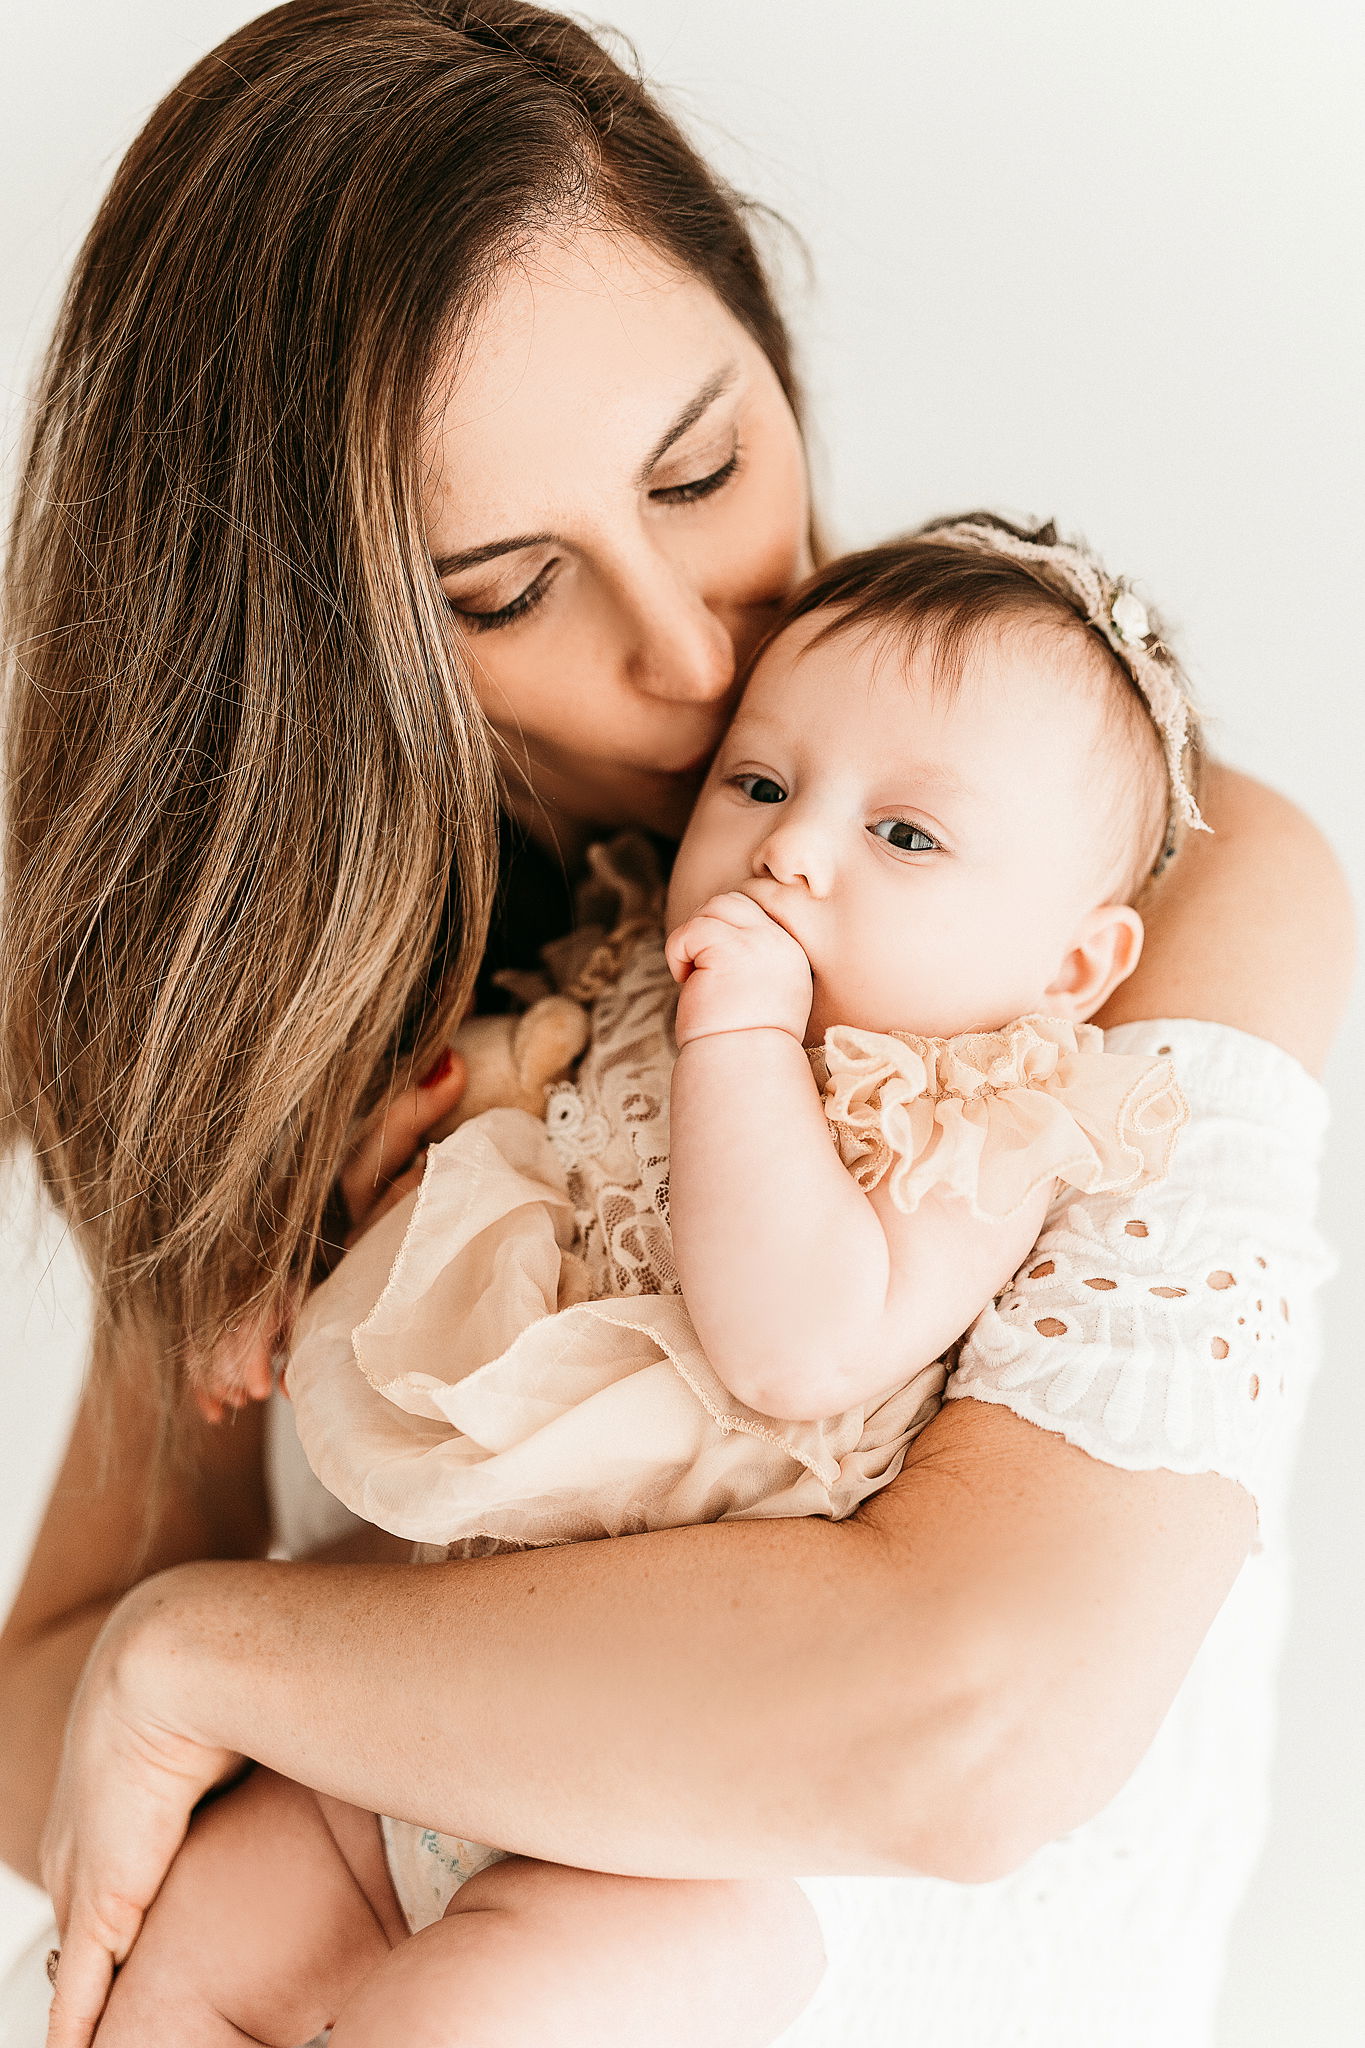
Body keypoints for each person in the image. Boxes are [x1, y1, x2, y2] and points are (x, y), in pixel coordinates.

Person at [0, 6, 1349, 2046]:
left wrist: (218, 1660)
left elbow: (965, 1724)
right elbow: (51, 1700)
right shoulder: (322, 1002)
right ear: (332, 646)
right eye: (506, 587)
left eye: (699, 470)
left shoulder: (1144, 887)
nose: (695, 647)